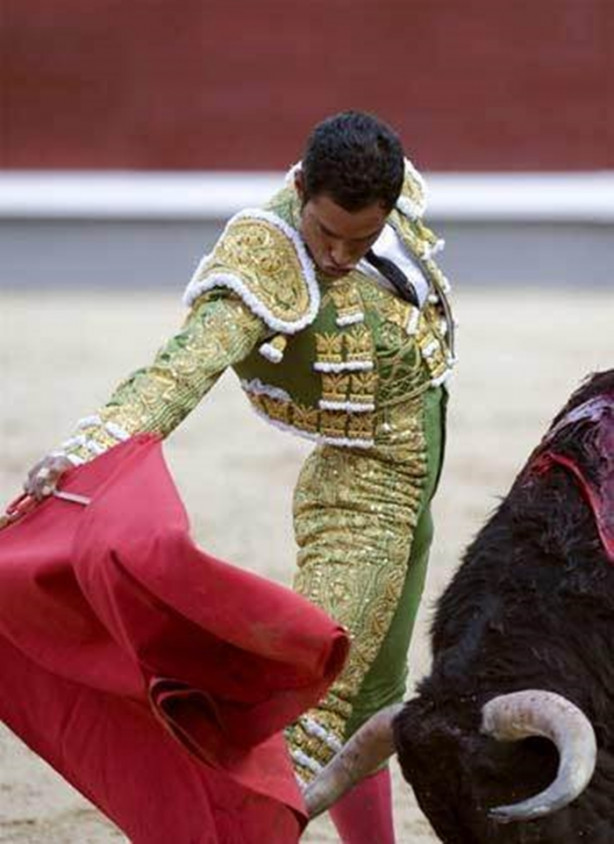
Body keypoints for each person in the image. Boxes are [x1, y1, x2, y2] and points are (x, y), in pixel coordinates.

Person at [25, 110, 456, 843]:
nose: (342, 254)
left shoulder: (388, 190)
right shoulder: (264, 261)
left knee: (373, 689)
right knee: (314, 704)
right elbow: (181, 368)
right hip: (363, 486)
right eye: (327, 234)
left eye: (362, 237)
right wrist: (87, 450)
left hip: (422, 456)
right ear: (299, 188)